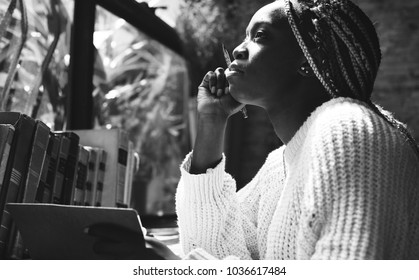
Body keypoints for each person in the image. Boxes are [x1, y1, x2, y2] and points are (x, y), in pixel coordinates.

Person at [87, 0, 419, 260]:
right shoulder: (280, 164)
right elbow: (215, 251)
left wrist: (170, 267)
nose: (238, 49)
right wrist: (212, 125)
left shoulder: (349, 130)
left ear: (308, 60)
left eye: (259, 36)